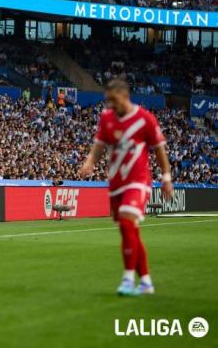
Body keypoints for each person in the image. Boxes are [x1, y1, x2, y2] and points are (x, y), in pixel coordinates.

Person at [79, 78, 173, 296]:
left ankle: (128, 280)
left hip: (138, 180)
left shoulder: (145, 119)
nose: (111, 104)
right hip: (116, 182)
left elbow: (159, 150)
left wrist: (166, 177)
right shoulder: (106, 118)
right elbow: (99, 146)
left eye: (114, 100)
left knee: (128, 222)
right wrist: (90, 162)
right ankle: (147, 282)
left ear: (125, 95)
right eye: (108, 100)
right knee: (128, 230)